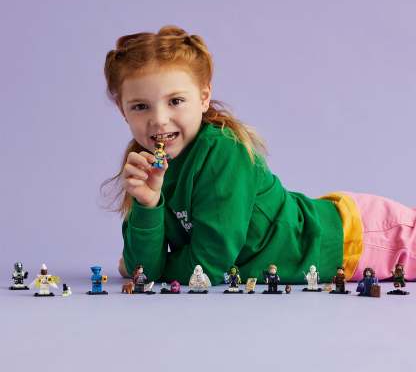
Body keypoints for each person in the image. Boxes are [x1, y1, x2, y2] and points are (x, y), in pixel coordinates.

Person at [102, 25, 416, 286]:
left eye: (176, 101)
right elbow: (144, 270)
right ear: (122, 110)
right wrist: (148, 204)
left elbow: (205, 268)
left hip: (358, 238)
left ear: (203, 97)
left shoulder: (222, 151)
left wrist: (154, 271)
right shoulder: (144, 166)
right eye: (140, 106)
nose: (158, 120)